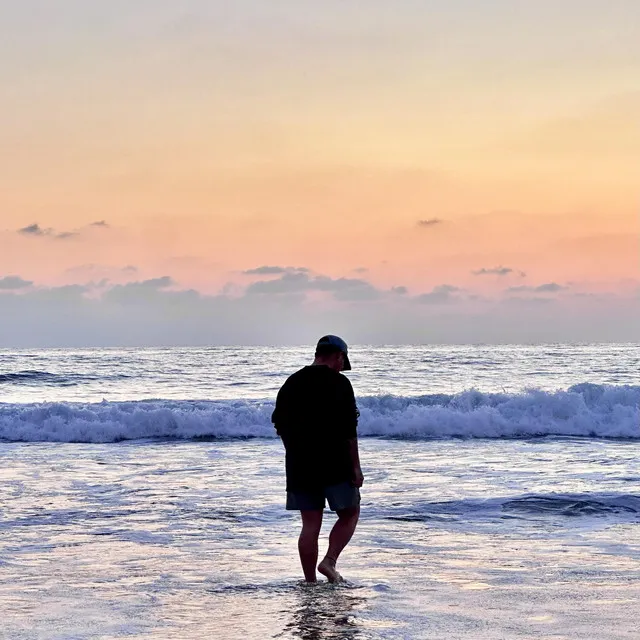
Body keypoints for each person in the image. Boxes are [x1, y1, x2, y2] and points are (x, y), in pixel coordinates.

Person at [272, 335, 363, 584]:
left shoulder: (291, 383)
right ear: (338, 356)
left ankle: (310, 582)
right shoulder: (340, 384)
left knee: (310, 525)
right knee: (350, 512)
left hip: (300, 466)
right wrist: (356, 467)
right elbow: (348, 430)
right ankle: (329, 561)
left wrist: (294, 453)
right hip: (335, 463)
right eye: (341, 362)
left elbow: (279, 425)